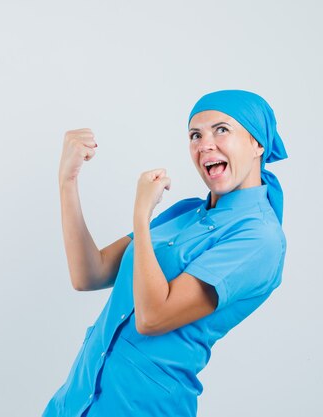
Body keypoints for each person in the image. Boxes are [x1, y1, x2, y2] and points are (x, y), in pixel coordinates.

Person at [43, 89, 288, 417]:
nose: (204, 145)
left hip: (140, 407)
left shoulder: (259, 239)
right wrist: (67, 179)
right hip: (79, 398)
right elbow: (90, 274)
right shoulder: (187, 212)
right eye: (195, 135)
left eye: (222, 130)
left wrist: (141, 218)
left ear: (257, 143)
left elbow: (153, 317)